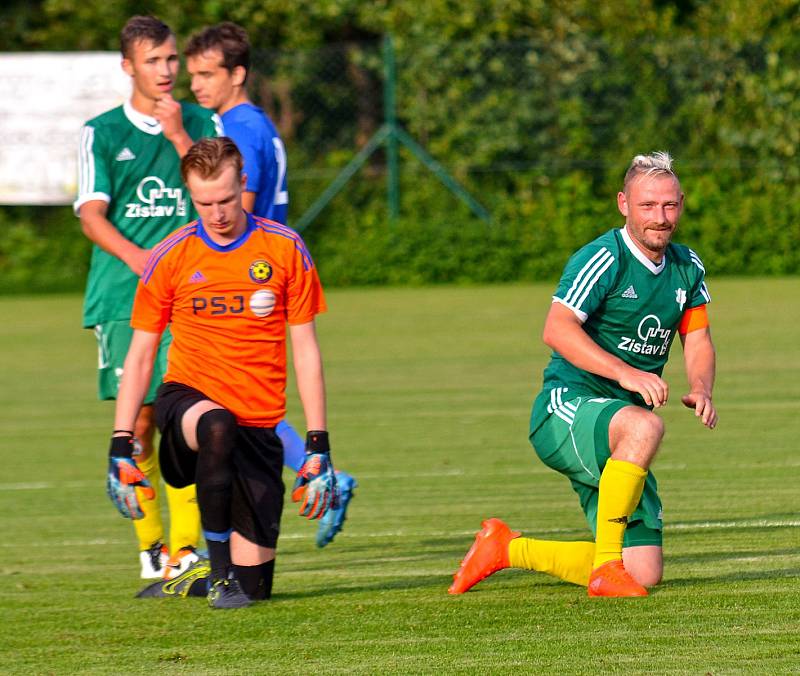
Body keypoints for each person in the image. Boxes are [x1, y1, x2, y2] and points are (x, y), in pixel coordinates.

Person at [449, 151, 717, 598]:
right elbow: (556, 329)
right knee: (646, 424)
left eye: (669, 205)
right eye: (648, 206)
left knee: (645, 573)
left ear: (682, 203)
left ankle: (505, 549)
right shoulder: (603, 257)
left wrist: (702, 387)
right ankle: (605, 568)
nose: (660, 217)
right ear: (623, 204)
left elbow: (699, 338)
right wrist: (626, 373)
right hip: (566, 407)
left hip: (621, 431)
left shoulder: (687, 266)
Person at [106, 136, 339, 608]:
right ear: (190, 195)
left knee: (257, 590)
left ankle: (203, 579)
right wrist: (120, 443)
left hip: (258, 426)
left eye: (227, 199)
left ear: (244, 185)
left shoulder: (285, 248)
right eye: (204, 202)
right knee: (217, 424)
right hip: (187, 412)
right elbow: (141, 354)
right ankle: (218, 576)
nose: (217, 213)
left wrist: (318, 445)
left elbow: (307, 350)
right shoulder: (171, 256)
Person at [184, 21, 357, 548]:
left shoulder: (240, 129)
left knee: (222, 400)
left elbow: (242, 214)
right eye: (192, 74)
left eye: (207, 73)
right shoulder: (253, 122)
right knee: (231, 402)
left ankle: (313, 473)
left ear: (238, 74)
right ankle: (309, 470)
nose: (195, 84)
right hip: (265, 276)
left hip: (251, 280)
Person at [74, 15, 221, 580]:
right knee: (135, 424)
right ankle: (152, 547)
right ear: (128, 66)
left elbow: (216, 187)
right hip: (121, 294)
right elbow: (91, 215)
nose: (164, 70)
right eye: (152, 60)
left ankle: (186, 547)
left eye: (170, 59)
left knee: (182, 415)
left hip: (192, 297)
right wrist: (140, 260)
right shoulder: (103, 132)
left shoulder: (202, 121)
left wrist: (182, 135)